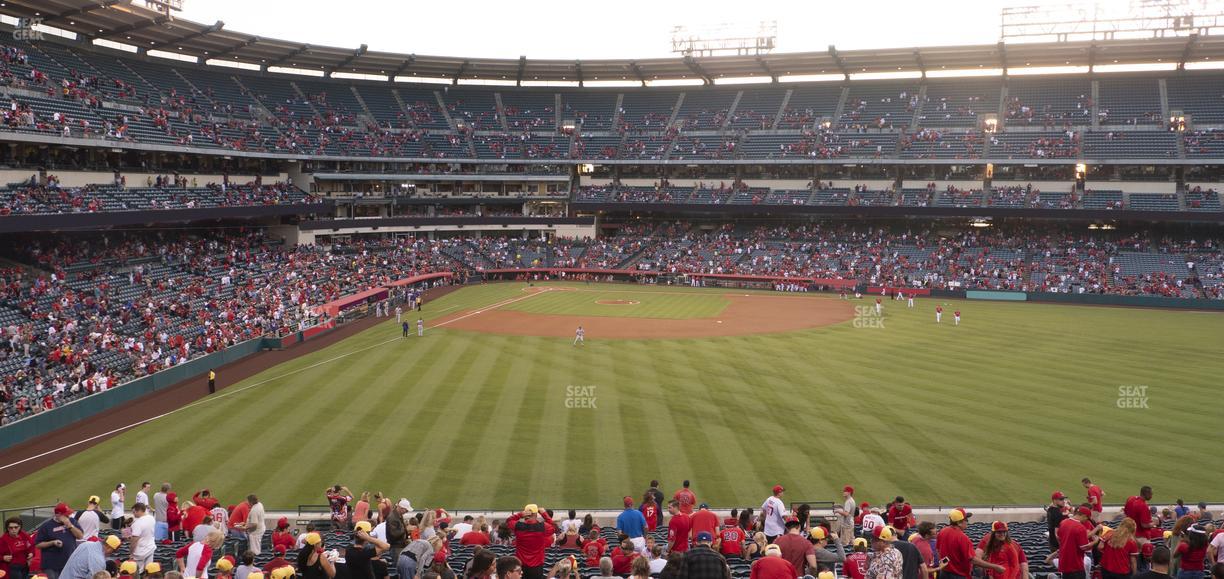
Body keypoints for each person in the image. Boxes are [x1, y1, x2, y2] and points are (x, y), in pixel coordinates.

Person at [937, 508, 1004, 579]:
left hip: (943, 573)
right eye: (966, 520)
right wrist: (995, 567)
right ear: (959, 523)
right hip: (958, 575)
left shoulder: (942, 531)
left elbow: (938, 551)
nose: (967, 522)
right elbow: (973, 560)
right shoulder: (962, 537)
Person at [506, 505, 555, 579]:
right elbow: (554, 527)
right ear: (535, 514)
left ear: (526, 513)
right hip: (537, 567)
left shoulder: (518, 526)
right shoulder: (543, 527)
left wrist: (520, 514)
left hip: (521, 565)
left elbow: (508, 521)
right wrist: (544, 513)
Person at [1057, 506, 1102, 579]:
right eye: (1087, 518)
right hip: (1075, 565)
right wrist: (1095, 541)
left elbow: (1058, 537)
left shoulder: (1064, 522)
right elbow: (1084, 547)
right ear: (1084, 516)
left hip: (1064, 563)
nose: (1086, 520)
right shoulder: (1080, 527)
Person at [129, 503, 157, 569]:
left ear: (139, 511)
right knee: (149, 571)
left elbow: (134, 541)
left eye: (134, 512)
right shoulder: (151, 518)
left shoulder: (137, 523)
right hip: (150, 548)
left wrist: (131, 553)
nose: (133, 514)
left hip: (140, 552)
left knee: (138, 572)